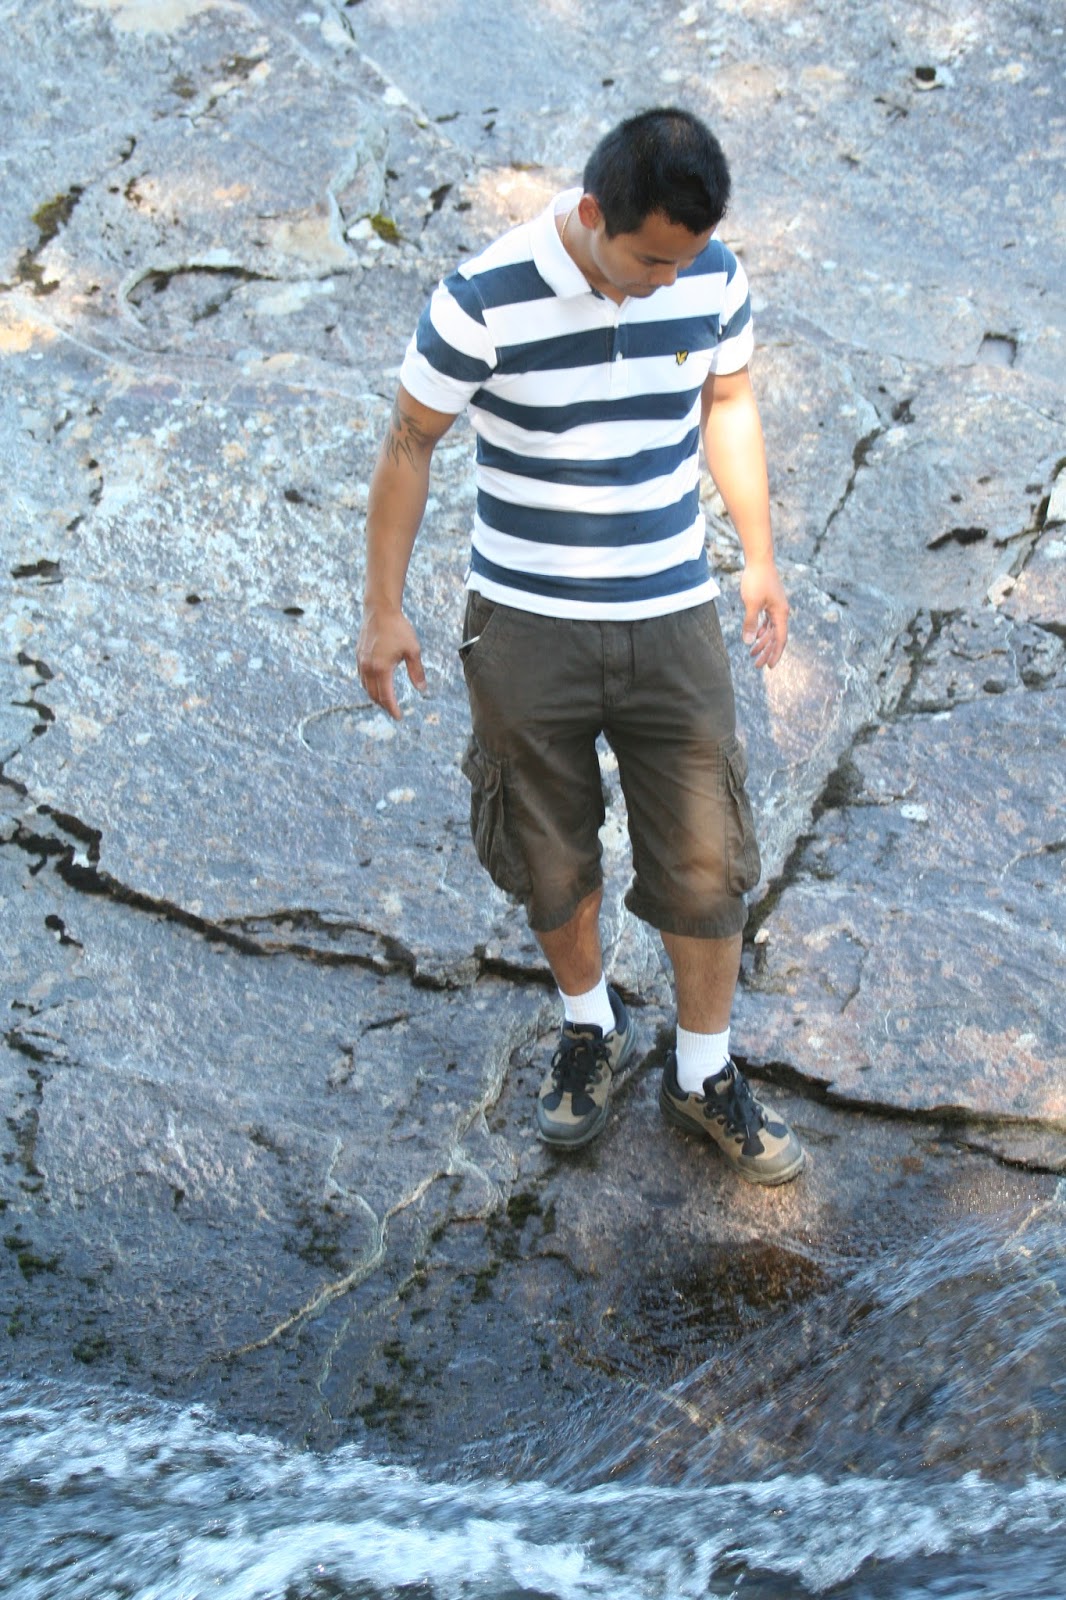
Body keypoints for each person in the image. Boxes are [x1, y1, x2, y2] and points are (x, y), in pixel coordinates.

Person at [357, 107, 804, 1186]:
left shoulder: (710, 276)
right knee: (546, 843)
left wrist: (758, 554)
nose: (669, 280)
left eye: (686, 260)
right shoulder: (480, 299)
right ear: (596, 214)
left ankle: (702, 1071)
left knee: (707, 852)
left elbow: (728, 399)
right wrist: (383, 608)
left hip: (671, 612)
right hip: (524, 625)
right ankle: (589, 1023)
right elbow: (410, 442)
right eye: (650, 260)